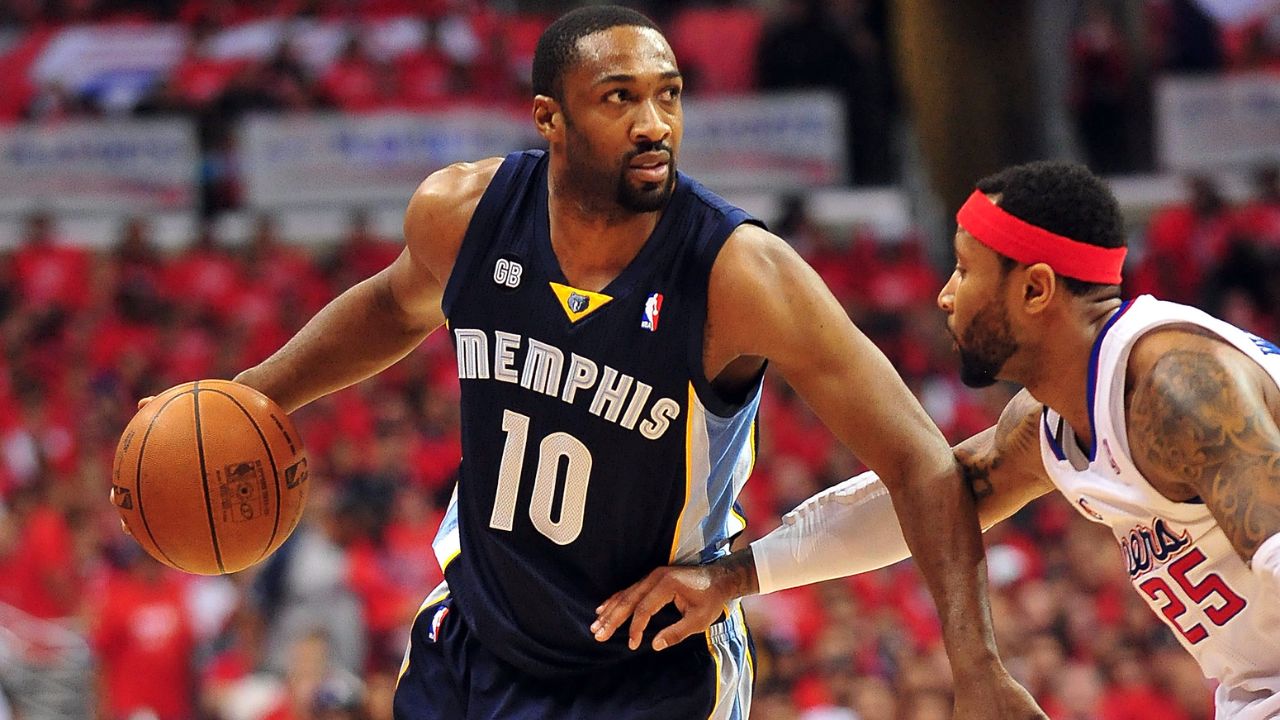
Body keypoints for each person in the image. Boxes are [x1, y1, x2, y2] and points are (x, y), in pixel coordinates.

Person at [127, 7, 1042, 719]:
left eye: (670, 94)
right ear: (549, 119)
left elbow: (923, 462)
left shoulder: (740, 274)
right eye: (620, 98)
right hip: (476, 649)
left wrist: (977, 667)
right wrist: (254, 395)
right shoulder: (465, 212)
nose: (654, 123)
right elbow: (392, 303)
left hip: (648, 671)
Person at [593, 161, 1280, 719]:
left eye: (963, 268)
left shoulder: (1178, 390)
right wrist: (732, 577)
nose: (946, 295)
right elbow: (926, 499)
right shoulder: (1048, 422)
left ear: (1035, 290)